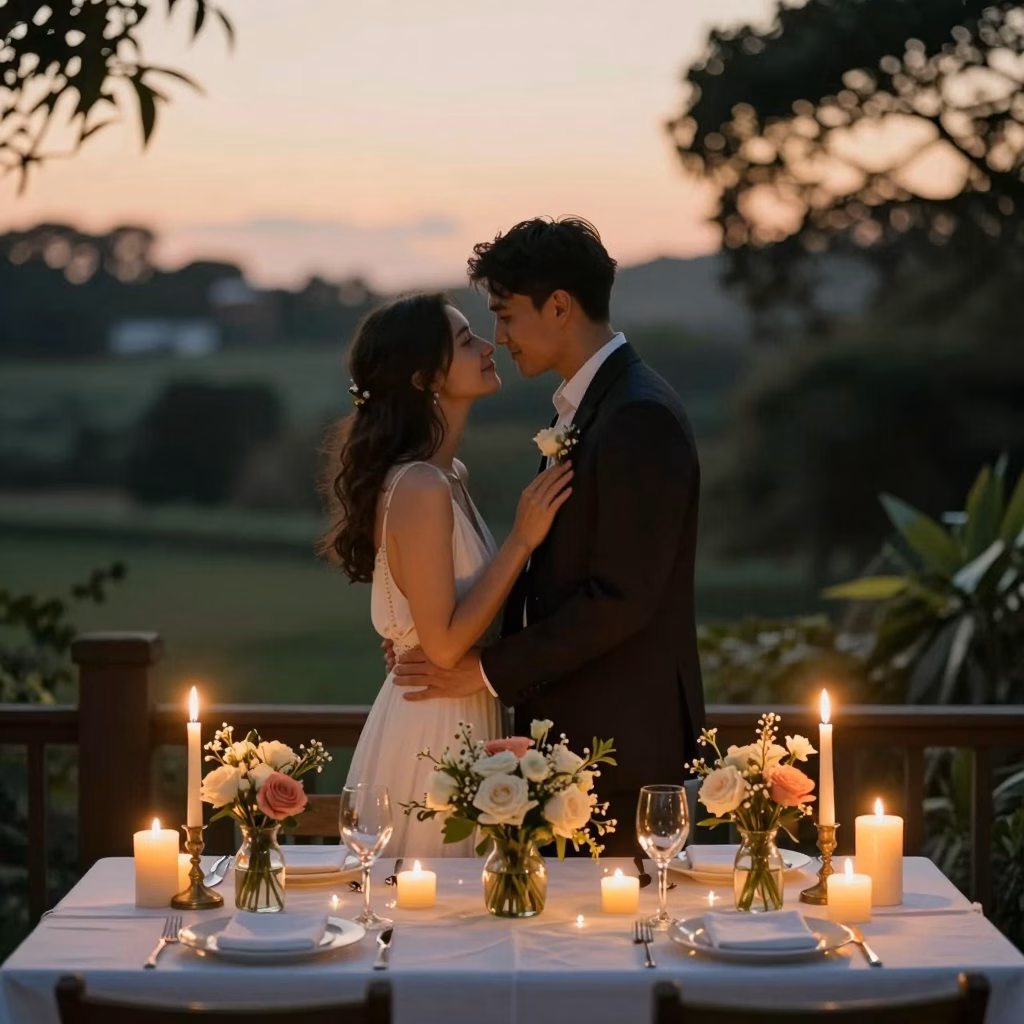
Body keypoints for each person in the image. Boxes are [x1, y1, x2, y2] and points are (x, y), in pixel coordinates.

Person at [392, 218, 705, 855]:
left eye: (506, 316)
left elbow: (622, 596)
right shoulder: (589, 407)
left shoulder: (637, 415)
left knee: (619, 918)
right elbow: (551, 579)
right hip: (575, 740)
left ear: (559, 306)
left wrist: (485, 670)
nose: (500, 338)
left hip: (622, 744)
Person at [323, 292, 572, 857]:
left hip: (464, 705)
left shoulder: (448, 474)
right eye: (465, 341)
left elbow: (443, 615)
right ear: (425, 378)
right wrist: (521, 539)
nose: (489, 346)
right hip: (433, 725)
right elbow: (441, 646)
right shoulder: (419, 485)